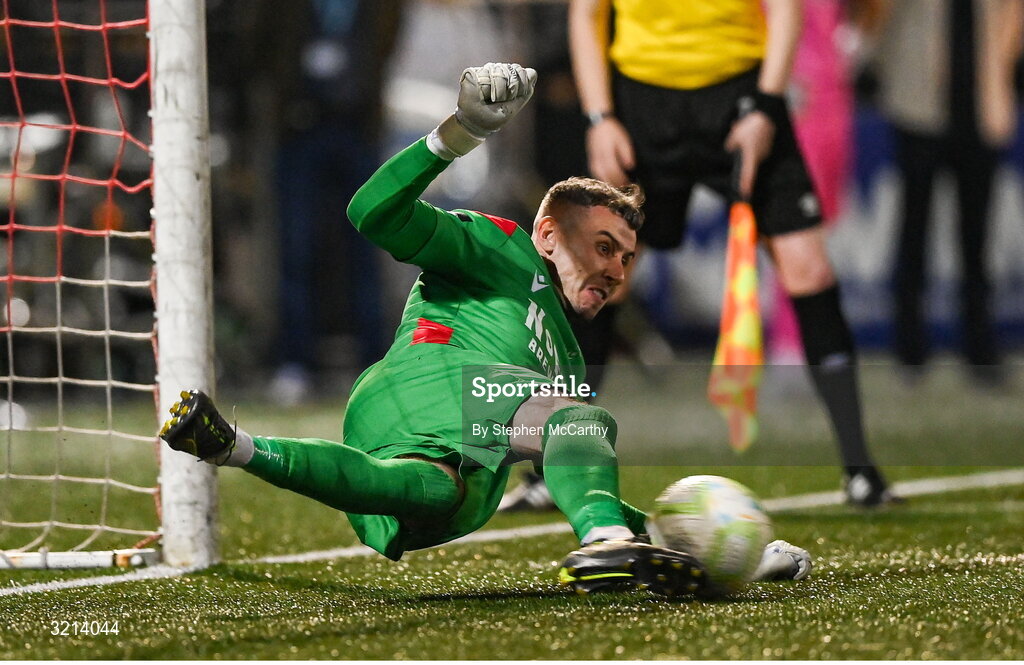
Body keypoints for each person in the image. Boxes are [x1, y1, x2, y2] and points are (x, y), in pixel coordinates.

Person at [159, 63, 810, 595]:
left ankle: (231, 445)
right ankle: (603, 544)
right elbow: (370, 212)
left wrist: (722, 554)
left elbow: (573, 481)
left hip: (449, 462)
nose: (617, 270)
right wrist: (459, 133)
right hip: (417, 386)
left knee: (431, 488)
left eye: (628, 258)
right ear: (550, 234)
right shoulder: (498, 245)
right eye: (606, 246)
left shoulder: (566, 364)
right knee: (575, 420)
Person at [568, 0, 899, 506]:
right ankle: (551, 465)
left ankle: (860, 469)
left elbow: (787, 11)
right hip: (639, 103)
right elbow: (585, 14)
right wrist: (599, 117)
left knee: (808, 267)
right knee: (600, 279)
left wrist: (766, 106)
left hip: (741, 94)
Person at [874, 0, 1023, 385]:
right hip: (917, 105)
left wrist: (1002, 86)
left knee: (976, 239)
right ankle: (909, 350)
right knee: (913, 230)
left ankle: (980, 350)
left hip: (980, 108)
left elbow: (1013, 15)